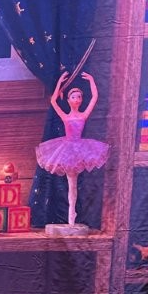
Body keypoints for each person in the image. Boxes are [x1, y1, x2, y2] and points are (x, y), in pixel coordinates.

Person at [35, 70, 109, 227]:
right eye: (74, 97)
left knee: (74, 184)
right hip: (67, 150)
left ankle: (72, 214)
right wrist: (60, 82)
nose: (77, 99)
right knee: (71, 184)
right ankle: (71, 214)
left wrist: (91, 80)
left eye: (79, 97)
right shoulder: (66, 116)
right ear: (68, 100)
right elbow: (54, 100)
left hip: (80, 149)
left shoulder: (83, 115)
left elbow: (94, 98)